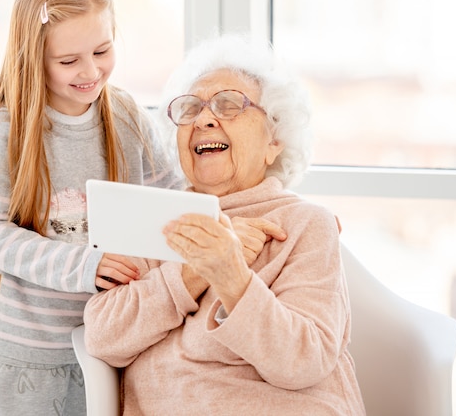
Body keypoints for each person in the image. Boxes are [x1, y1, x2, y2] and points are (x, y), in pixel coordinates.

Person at [83, 34, 366, 415]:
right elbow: (103, 336)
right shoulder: (155, 218)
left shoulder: (306, 224)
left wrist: (233, 277)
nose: (204, 118)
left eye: (229, 105)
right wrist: (194, 271)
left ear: (274, 141)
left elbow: (305, 360)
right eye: (190, 109)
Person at [0, 0, 183, 415]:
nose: (91, 71)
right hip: (33, 359)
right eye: (68, 61)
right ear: (32, 57)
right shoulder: (8, 132)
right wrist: (84, 264)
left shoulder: (126, 117)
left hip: (123, 352)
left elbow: (177, 203)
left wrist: (281, 214)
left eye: (102, 51)